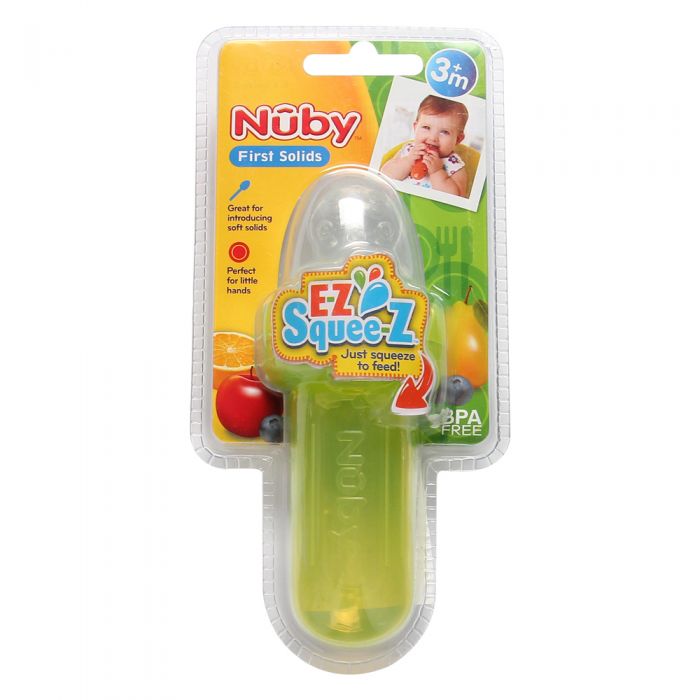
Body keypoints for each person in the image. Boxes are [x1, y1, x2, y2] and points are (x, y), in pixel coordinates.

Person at [381, 95, 469, 197]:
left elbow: (457, 197)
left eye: (444, 132)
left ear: (458, 139)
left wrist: (437, 172)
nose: (433, 138)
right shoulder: (409, 150)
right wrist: (408, 161)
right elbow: (385, 175)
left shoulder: (455, 164)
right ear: (415, 127)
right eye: (426, 127)